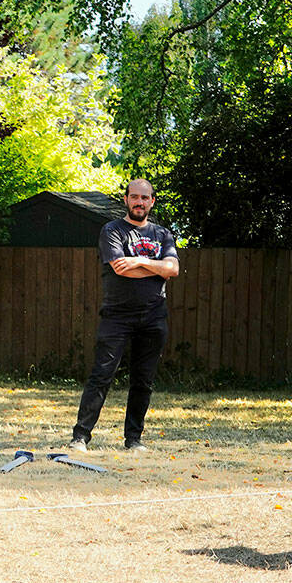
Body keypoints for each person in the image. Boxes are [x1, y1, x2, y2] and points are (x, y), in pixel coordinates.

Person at [70, 179, 180, 452]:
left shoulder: (163, 234)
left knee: (143, 380)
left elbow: (174, 269)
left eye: (145, 197)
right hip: (117, 316)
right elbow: (121, 269)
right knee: (102, 375)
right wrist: (158, 268)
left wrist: (141, 261)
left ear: (152, 201)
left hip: (154, 316)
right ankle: (80, 438)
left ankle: (134, 440)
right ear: (126, 199)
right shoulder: (113, 230)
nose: (139, 202)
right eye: (134, 197)